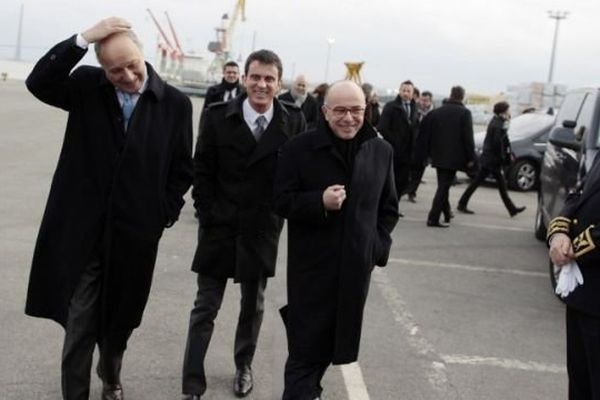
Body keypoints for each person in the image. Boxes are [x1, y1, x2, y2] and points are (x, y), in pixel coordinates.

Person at [24, 17, 193, 400]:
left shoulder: (175, 105)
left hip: (135, 236)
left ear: (143, 55)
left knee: (121, 320)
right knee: (80, 321)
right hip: (84, 234)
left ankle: (111, 372)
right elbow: (39, 83)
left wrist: (160, 214)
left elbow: (182, 168)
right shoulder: (87, 87)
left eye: (132, 65)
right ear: (102, 68)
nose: (128, 77)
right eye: (115, 71)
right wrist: (83, 39)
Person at [182, 49, 306, 400]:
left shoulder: (293, 121)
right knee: (205, 306)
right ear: (245, 78)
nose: (261, 84)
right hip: (219, 227)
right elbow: (202, 167)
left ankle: (243, 367)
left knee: (253, 306)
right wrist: (207, 212)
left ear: (279, 83)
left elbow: (300, 171)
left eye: (269, 78)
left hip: (261, 229)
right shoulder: (219, 116)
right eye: (255, 77)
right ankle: (192, 383)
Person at [274, 80, 400, 399]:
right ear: (325, 112)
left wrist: (375, 249)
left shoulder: (380, 150)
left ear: (366, 110)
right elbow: (280, 200)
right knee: (303, 353)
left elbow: (388, 209)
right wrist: (319, 202)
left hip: (355, 273)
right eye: (340, 110)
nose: (349, 118)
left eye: (356, 110)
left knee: (332, 347)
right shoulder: (299, 149)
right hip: (312, 272)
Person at [548, 152, 600, 399]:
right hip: (583, 293)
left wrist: (572, 249)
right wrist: (559, 234)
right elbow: (578, 195)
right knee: (580, 384)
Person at [418, 85, 476, 227]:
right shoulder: (464, 113)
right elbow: (468, 138)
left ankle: (447, 213)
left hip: (437, 156)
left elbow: (425, 133)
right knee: (443, 187)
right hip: (454, 158)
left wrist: (426, 153)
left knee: (443, 186)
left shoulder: (437, 112)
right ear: (462, 96)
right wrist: (471, 158)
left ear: (451, 95)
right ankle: (433, 218)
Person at [457, 101, 526, 216]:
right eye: (508, 109)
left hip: (490, 159)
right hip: (493, 160)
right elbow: (497, 142)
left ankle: (512, 209)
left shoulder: (497, 121)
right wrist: (502, 157)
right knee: (497, 184)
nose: (510, 111)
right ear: (504, 111)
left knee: (486, 183)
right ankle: (512, 209)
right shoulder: (499, 123)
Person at [378, 80, 419, 211]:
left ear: (413, 93)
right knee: (389, 181)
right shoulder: (391, 106)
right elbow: (383, 127)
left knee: (402, 182)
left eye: (409, 91)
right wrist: (394, 142)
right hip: (394, 151)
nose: (406, 93)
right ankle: (384, 206)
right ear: (399, 91)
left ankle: (394, 207)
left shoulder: (414, 107)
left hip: (408, 153)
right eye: (404, 90)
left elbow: (415, 128)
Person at [405, 90, 435, 203]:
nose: (423, 103)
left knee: (418, 173)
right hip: (412, 146)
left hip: (425, 148)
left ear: (430, 101)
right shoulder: (414, 110)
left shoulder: (433, 114)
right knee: (408, 171)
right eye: (422, 100)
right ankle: (406, 189)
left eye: (426, 101)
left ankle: (412, 192)